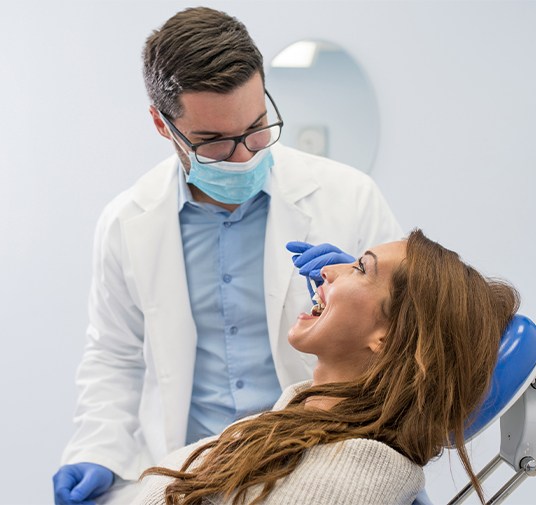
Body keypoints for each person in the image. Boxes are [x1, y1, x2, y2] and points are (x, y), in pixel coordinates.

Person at [52, 6, 404, 504]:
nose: (244, 157)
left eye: (257, 127)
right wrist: (97, 449)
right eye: (214, 143)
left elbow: (409, 340)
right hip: (193, 471)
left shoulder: (350, 197)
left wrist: (372, 293)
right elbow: (115, 354)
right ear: (162, 125)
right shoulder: (125, 224)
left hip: (320, 460)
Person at [132, 229, 520, 505]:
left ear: (387, 336)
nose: (327, 271)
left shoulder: (343, 478)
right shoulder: (294, 424)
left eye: (359, 268)